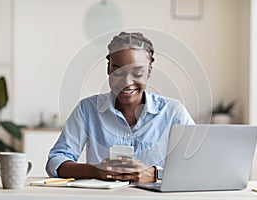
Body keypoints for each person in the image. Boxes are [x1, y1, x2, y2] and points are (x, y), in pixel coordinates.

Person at [46, 32, 195, 182]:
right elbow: (56, 161)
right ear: (109, 69)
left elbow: (197, 165)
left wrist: (154, 174)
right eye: (118, 72)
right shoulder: (88, 109)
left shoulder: (173, 112)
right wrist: (95, 170)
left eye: (137, 73)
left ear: (149, 72)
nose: (127, 82)